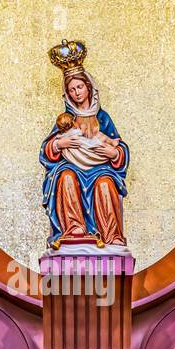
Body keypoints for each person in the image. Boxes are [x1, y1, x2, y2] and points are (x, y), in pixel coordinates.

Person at [40, 40, 129, 251]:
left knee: (106, 183)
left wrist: (114, 153)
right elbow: (46, 150)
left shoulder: (102, 117)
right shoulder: (67, 118)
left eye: (80, 87)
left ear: (88, 87)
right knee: (65, 177)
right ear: (67, 94)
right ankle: (74, 230)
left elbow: (119, 145)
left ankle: (111, 237)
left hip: (100, 169)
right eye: (71, 90)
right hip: (72, 166)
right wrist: (59, 143)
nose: (76, 93)